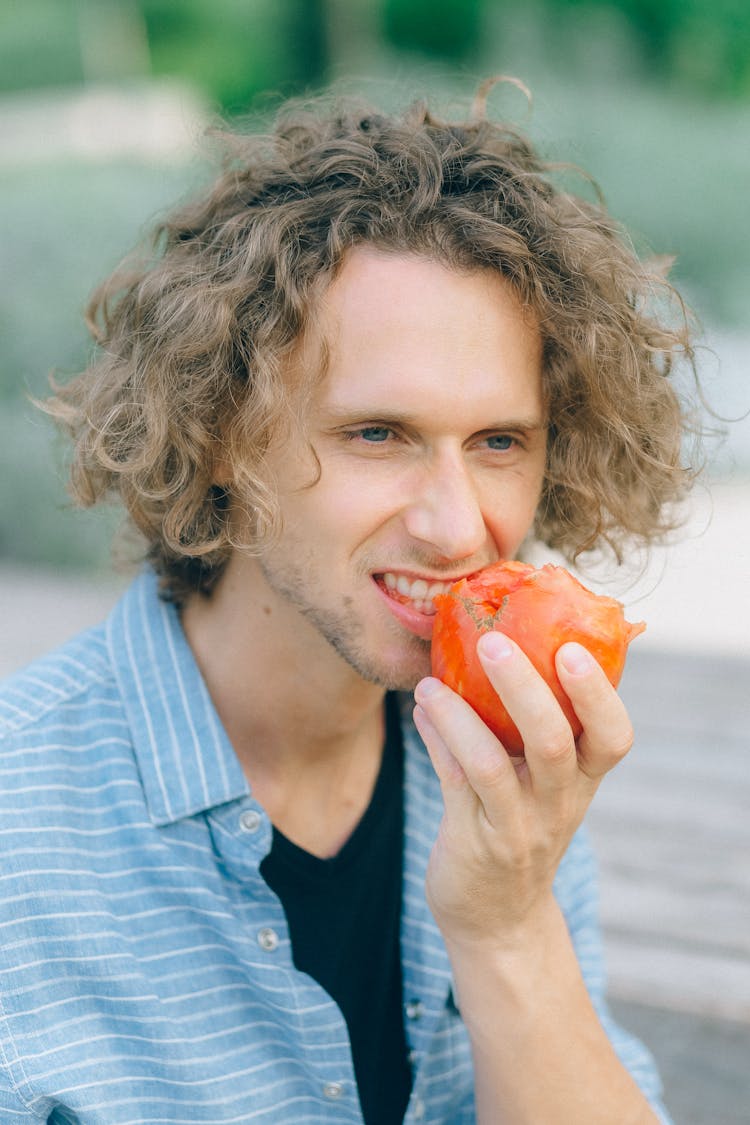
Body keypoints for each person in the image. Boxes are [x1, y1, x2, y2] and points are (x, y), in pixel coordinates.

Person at [0, 81, 697, 1123]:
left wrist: (508, 927)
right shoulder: (24, 829)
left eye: (499, 442)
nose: (458, 529)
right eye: (378, 434)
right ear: (223, 431)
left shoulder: (504, 776)